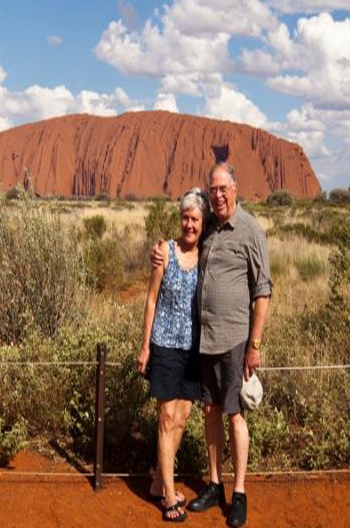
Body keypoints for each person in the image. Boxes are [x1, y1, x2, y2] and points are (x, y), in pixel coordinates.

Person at [152, 163, 272, 527]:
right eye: (213, 189)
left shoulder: (250, 230)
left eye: (224, 189)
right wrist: (157, 252)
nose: (218, 195)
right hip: (204, 341)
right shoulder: (210, 229)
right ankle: (214, 484)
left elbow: (263, 289)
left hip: (235, 340)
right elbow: (181, 244)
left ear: (235, 189)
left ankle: (239, 493)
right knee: (209, 413)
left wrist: (255, 343)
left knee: (235, 415)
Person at [136, 188, 208, 522]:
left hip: (193, 350)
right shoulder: (165, 251)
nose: (189, 224)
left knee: (181, 419)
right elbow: (151, 299)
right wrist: (145, 344)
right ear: (179, 219)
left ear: (202, 222)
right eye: (185, 218)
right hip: (165, 345)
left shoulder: (206, 254)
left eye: (195, 219)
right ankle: (168, 494)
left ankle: (156, 482)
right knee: (166, 419)